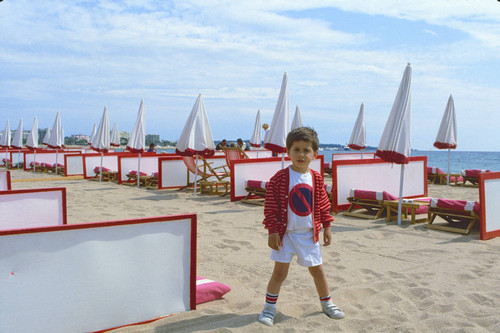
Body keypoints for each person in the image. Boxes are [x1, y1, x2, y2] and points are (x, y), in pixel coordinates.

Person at [258, 127, 344, 327]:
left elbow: (323, 204)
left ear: (315, 154)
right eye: (296, 149)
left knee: (318, 271)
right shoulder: (279, 178)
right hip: (284, 235)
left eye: (306, 150)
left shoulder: (316, 178)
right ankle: (269, 308)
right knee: (279, 273)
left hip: (309, 234)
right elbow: (270, 207)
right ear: (288, 152)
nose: (301, 154)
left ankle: (327, 303)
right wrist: (272, 231)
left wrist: (327, 226)